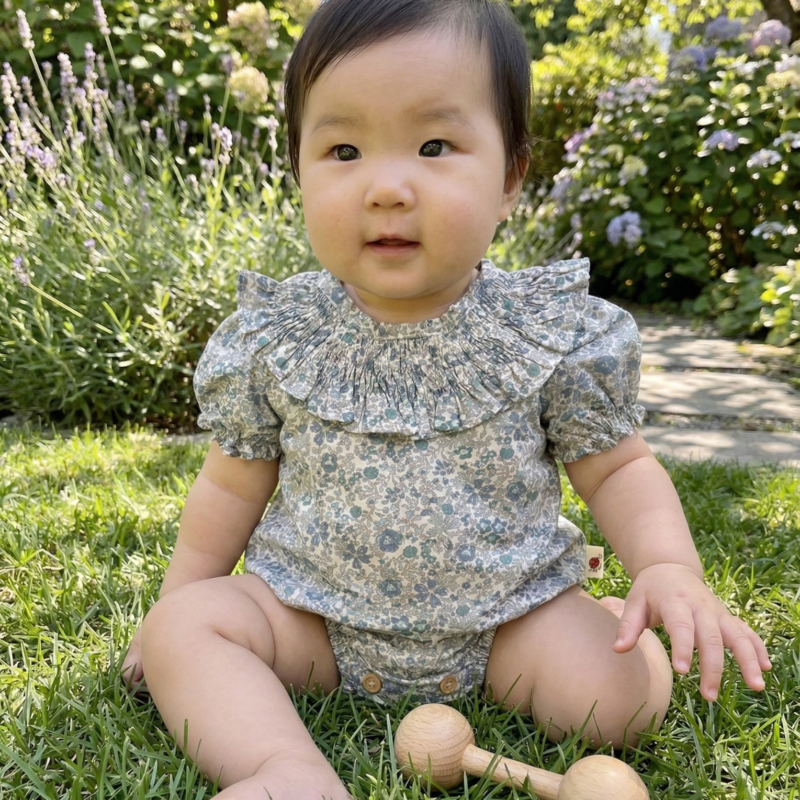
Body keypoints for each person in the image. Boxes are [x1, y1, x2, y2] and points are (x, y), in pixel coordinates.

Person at [121, 1, 772, 798]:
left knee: (619, 704)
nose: (387, 187)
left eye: (434, 145)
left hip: (508, 622)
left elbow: (619, 470)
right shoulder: (277, 338)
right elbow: (229, 485)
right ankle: (284, 768)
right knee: (184, 629)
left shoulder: (546, 334)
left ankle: (592, 612)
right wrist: (178, 606)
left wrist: (669, 567)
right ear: (299, 172)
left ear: (508, 180)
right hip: (314, 621)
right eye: (344, 149)